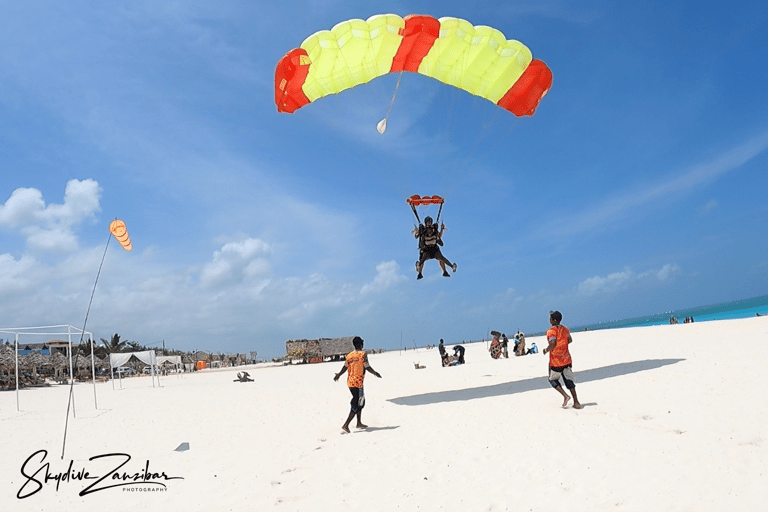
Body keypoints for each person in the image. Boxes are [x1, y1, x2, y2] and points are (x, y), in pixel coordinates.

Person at [333, 337, 382, 433]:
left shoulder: (350, 355)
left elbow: (345, 367)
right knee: (358, 403)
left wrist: (339, 374)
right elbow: (367, 366)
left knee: (359, 401)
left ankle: (359, 423)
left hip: (350, 382)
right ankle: (346, 425)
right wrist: (375, 373)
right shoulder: (363, 354)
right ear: (360, 345)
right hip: (358, 383)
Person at [543, 310, 581, 409]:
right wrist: (562, 345)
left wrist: (546, 350)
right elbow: (570, 340)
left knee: (552, 379)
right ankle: (576, 402)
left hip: (555, 361)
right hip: (566, 359)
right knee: (569, 380)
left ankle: (565, 396)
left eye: (550, 318)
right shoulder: (565, 329)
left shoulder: (551, 331)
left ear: (554, 320)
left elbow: (552, 344)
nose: (549, 320)